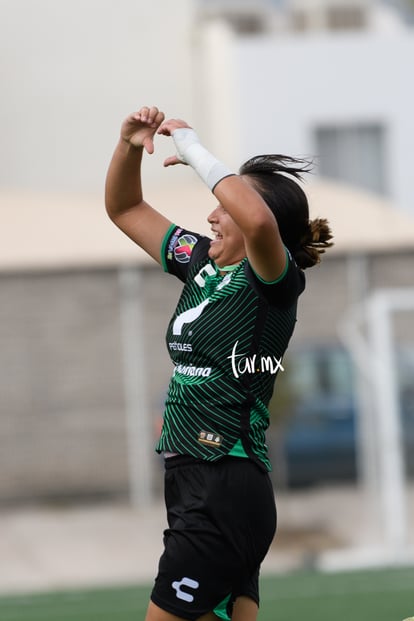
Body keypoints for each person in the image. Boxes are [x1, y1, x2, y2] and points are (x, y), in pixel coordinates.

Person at [105, 106, 333, 621]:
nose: (212, 215)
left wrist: (191, 148)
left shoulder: (273, 280)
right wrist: (127, 145)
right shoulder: (201, 261)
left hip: (223, 485)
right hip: (197, 484)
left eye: (222, 207)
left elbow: (253, 218)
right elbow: (124, 208)